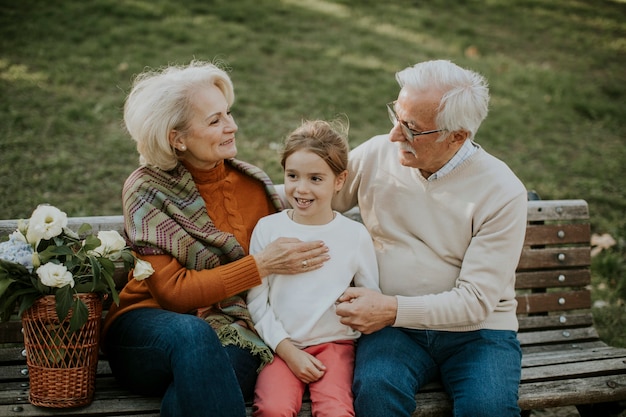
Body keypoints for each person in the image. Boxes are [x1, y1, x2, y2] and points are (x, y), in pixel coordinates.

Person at [101, 61, 331, 417]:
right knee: (194, 336)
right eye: (215, 120)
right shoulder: (146, 190)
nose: (232, 126)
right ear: (176, 138)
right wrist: (261, 265)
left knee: (205, 381)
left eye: (229, 114)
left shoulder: (255, 185)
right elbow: (173, 293)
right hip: (147, 331)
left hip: (233, 328)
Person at [332, 60, 528, 417]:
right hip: (396, 331)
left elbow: (475, 303)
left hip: (478, 333)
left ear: (457, 136)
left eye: (411, 128)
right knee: (375, 392)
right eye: (396, 116)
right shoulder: (378, 154)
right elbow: (311, 193)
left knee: (488, 410)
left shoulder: (502, 192)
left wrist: (390, 309)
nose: (394, 135)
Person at [247, 120, 380, 417]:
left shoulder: (354, 236)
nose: (301, 188)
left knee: (336, 411)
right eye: (292, 175)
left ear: (339, 180)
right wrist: (286, 350)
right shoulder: (268, 229)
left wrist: (353, 308)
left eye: (315, 178)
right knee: (272, 408)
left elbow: (371, 296)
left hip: (335, 347)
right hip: (281, 346)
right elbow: (256, 300)